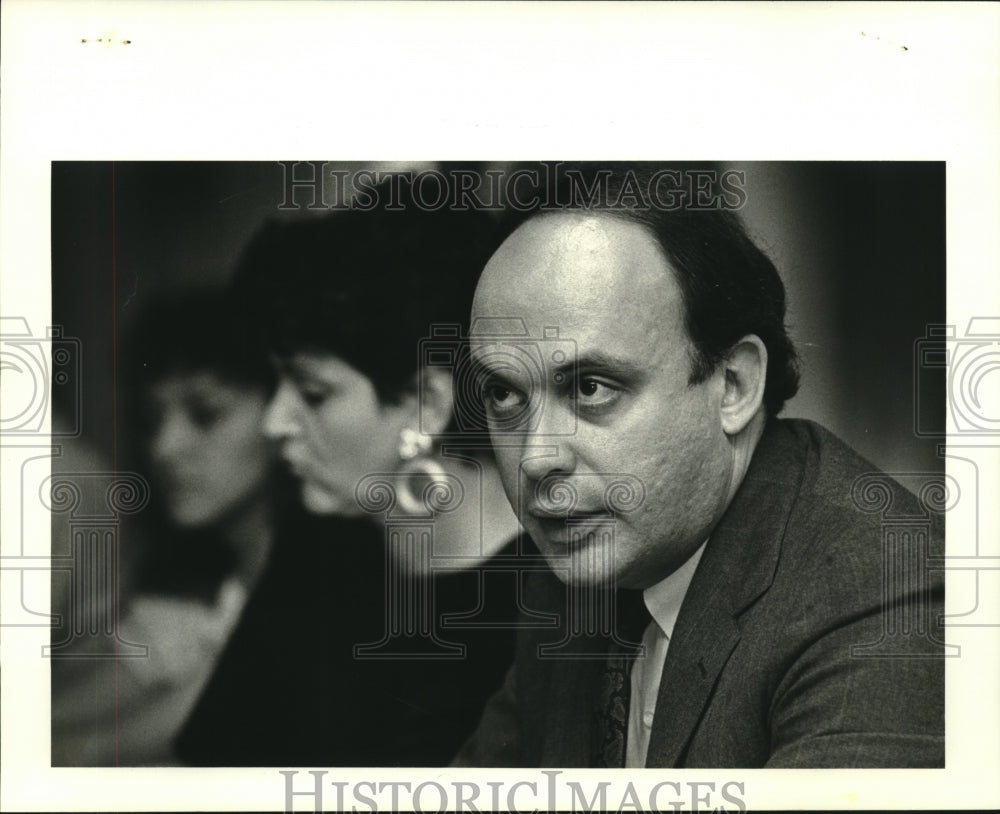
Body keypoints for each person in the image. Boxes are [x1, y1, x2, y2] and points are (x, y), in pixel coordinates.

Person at [455, 167, 945, 768]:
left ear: (733, 384)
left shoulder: (884, 600)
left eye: (590, 387)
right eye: (505, 395)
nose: (535, 457)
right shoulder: (574, 571)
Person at [176, 201, 527, 767]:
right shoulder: (318, 544)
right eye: (278, 384)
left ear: (426, 404)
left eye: (313, 393)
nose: (275, 422)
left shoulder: (549, 594)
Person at [51, 289, 278, 765]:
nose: (165, 447)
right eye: (152, 420)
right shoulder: (181, 595)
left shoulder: (306, 589)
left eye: (206, 414)